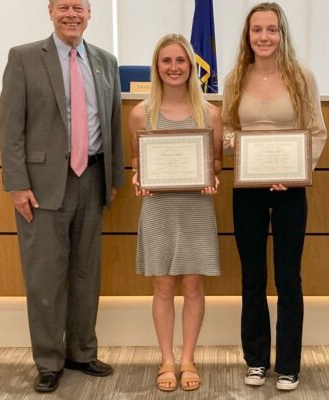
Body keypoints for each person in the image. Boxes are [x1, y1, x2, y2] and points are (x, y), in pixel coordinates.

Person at [0, 0, 124, 393]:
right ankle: (49, 360)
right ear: (50, 11)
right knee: (45, 277)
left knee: (87, 274)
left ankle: (82, 352)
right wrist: (17, 184)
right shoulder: (23, 58)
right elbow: (9, 128)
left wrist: (114, 178)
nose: (72, 14)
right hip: (41, 185)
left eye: (79, 7)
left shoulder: (106, 61)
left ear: (90, 14)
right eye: (64, 6)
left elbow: (115, 122)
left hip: (93, 177)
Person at [222, 2, 327, 391]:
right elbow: (228, 132)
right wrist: (241, 146)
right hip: (246, 190)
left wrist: (296, 171)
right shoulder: (235, 78)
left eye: (271, 30)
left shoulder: (302, 78)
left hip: (290, 192)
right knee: (252, 276)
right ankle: (255, 360)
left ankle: (288, 364)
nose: (264, 37)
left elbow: (317, 132)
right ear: (247, 36)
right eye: (257, 30)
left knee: (288, 278)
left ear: (282, 34)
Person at [128, 33, 223, 392]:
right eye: (166, 61)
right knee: (163, 284)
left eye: (180, 61)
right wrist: (140, 176)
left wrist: (211, 177)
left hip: (195, 206)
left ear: (191, 66)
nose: (174, 67)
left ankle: (188, 359)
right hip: (159, 207)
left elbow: (215, 161)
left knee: (194, 285)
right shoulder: (141, 113)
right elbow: (137, 159)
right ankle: (167, 358)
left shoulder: (210, 113)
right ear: (157, 67)